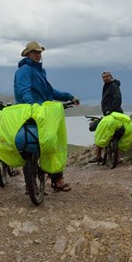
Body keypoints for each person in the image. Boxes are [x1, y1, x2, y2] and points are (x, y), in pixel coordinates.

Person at [14, 41, 79, 191]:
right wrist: (33, 106)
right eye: (35, 52)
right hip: (29, 111)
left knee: (49, 141)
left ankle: (55, 179)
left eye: (39, 52)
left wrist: (68, 96)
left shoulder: (40, 71)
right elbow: (24, 90)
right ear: (28, 54)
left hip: (42, 112)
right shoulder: (25, 70)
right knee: (39, 140)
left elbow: (49, 91)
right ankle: (34, 183)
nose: (38, 54)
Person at [90, 71, 124, 162]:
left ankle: (98, 156)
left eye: (107, 76)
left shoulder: (113, 85)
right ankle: (115, 156)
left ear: (111, 76)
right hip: (110, 112)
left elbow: (118, 98)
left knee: (101, 131)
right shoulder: (107, 85)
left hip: (113, 112)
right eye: (103, 77)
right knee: (113, 133)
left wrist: (111, 110)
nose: (105, 78)